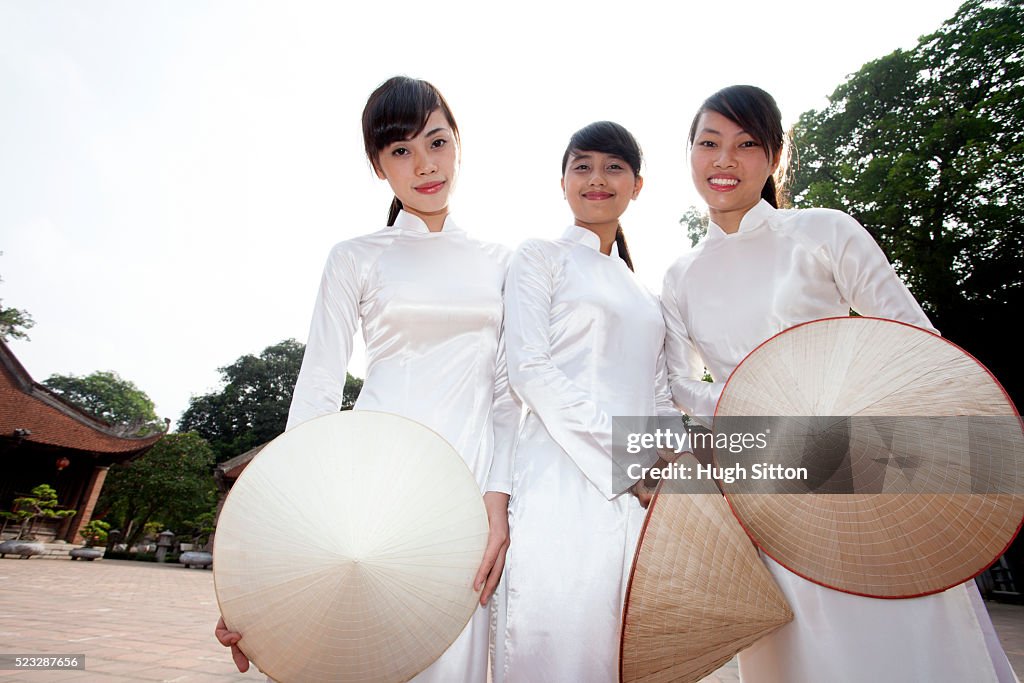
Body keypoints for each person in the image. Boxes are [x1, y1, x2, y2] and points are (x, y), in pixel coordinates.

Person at [661, 84, 1017, 682]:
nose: (724, 160)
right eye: (709, 143)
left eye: (746, 144)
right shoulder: (680, 275)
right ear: (690, 154)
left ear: (775, 156)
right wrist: (752, 408)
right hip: (761, 477)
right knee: (796, 642)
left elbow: (915, 341)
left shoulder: (823, 231)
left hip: (860, 466)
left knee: (890, 636)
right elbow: (676, 384)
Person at [215, 76, 518, 683]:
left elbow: (509, 395)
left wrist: (497, 500)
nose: (425, 165)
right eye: (400, 151)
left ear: (459, 141)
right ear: (378, 166)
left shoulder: (502, 261)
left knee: (449, 660)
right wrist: (282, 523)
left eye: (436, 142)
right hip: (371, 475)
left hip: (466, 486)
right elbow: (320, 383)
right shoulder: (356, 255)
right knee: (358, 651)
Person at [491, 121, 676, 683]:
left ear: (638, 184)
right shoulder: (539, 256)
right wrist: (627, 459)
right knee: (556, 641)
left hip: (642, 496)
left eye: (614, 167)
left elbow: (661, 392)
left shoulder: (648, 294)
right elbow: (528, 367)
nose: (597, 178)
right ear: (563, 181)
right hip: (561, 481)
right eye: (582, 165)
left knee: (624, 650)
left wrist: (670, 467)